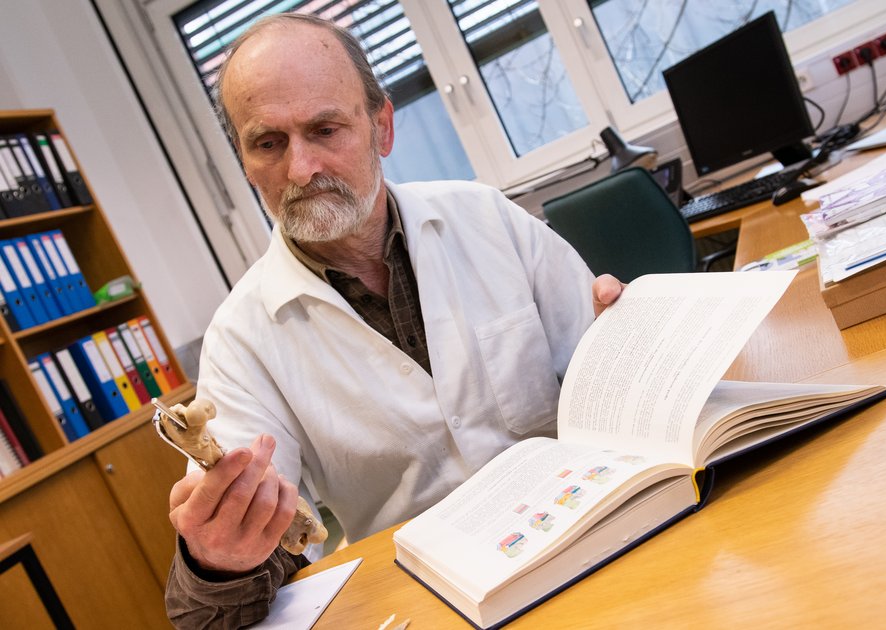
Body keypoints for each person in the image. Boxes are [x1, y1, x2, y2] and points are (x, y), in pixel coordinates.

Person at [164, 13, 625, 627]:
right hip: (434, 606)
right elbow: (218, 599)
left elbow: (611, 385)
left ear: (381, 126)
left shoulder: (487, 220)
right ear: (246, 163)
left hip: (593, 536)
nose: (301, 169)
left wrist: (633, 342)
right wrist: (219, 562)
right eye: (268, 143)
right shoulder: (241, 340)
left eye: (325, 129)